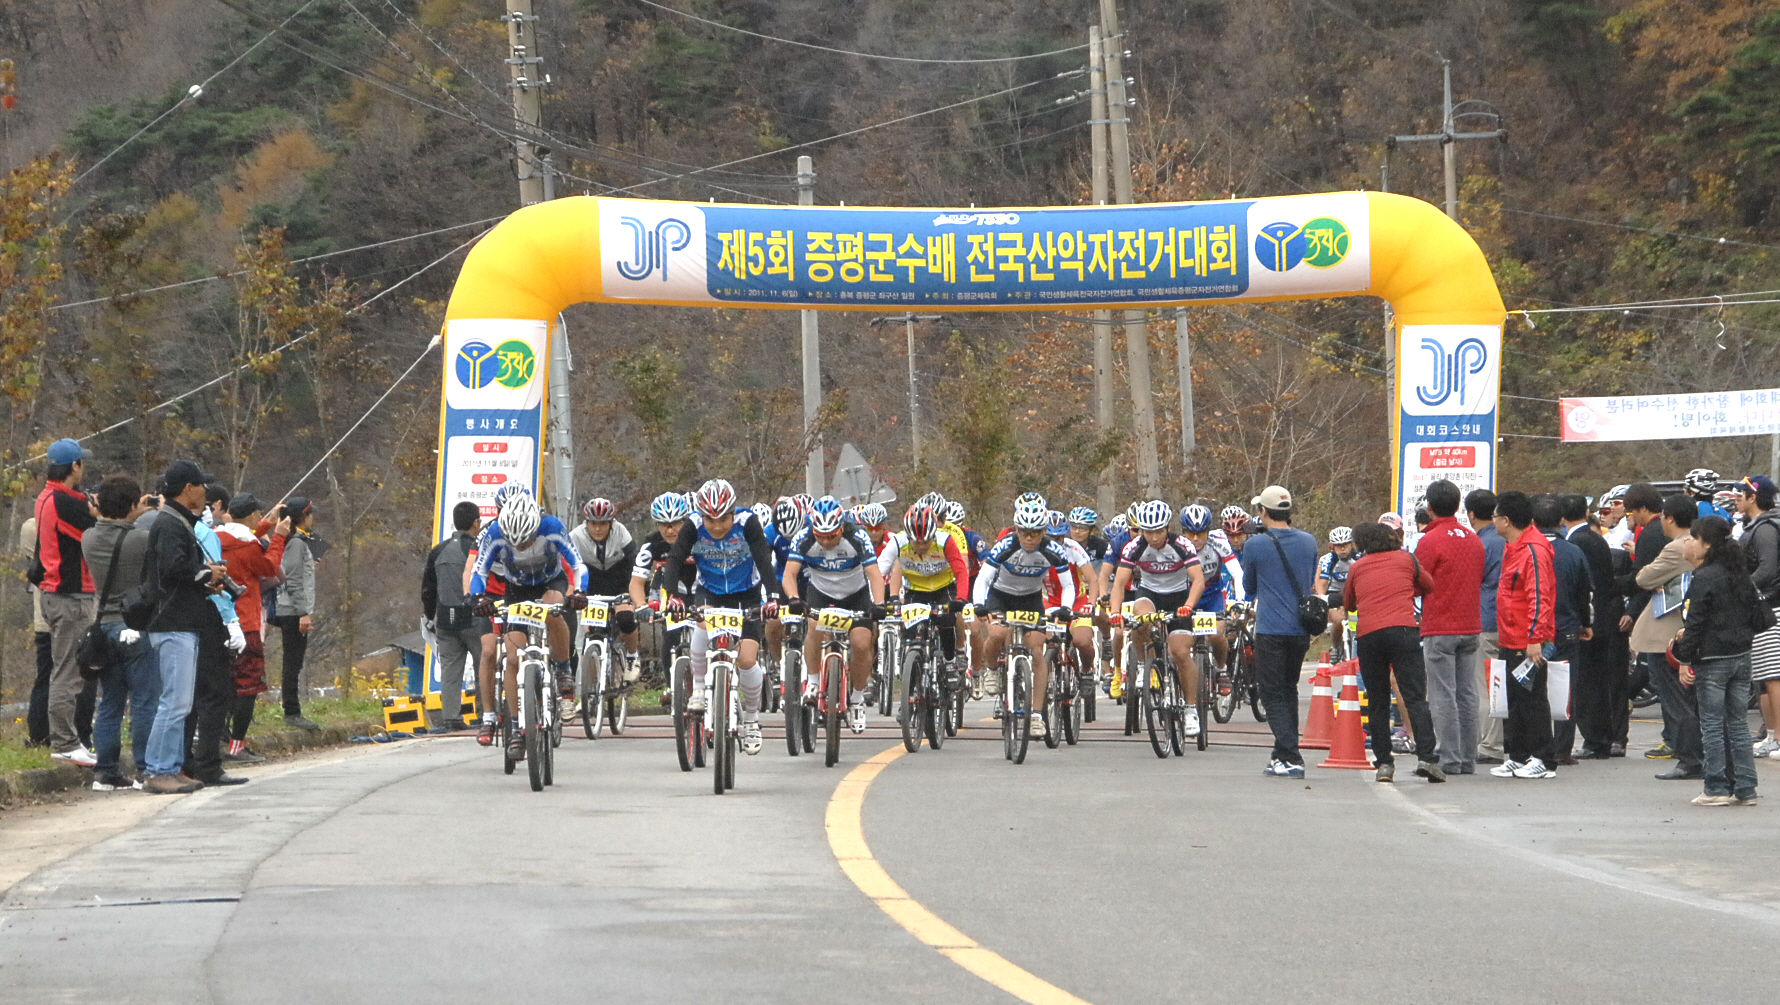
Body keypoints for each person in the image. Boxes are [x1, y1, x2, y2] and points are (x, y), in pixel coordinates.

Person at [664, 479, 782, 752]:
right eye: (710, 519)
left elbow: (764, 560)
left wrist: (772, 597)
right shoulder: (692, 525)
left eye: (723, 519)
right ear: (701, 515)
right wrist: (671, 594)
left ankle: (751, 719)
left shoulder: (748, 522)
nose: (717, 526)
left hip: (747, 594)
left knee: (746, 659)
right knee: (702, 624)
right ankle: (698, 691)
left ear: (733, 512)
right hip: (710, 591)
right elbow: (675, 559)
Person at [469, 490, 585, 762]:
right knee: (512, 658)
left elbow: (577, 564)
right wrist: (478, 597)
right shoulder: (495, 531)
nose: (521, 547)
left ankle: (564, 668)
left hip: (549, 581)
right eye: (515, 543)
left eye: (527, 541)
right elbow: (479, 571)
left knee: (553, 607)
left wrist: (580, 591)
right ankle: (516, 728)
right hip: (517, 589)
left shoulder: (551, 526)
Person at [139, 461, 228, 794]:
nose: (205, 491)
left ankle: (173, 766)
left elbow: (178, 573)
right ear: (188, 488)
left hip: (182, 619)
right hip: (171, 622)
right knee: (173, 701)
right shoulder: (170, 524)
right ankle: (158, 769)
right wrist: (206, 574)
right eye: (201, 485)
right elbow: (171, 570)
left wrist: (205, 581)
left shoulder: (177, 522)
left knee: (182, 701)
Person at [1673, 516, 1766, 805]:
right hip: (1741, 655)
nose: (1688, 543)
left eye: (1692, 538)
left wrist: (1684, 658)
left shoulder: (1704, 577)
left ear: (1706, 544)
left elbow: (1696, 622)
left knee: (1712, 725)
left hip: (1712, 658)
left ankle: (1716, 787)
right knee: (1737, 724)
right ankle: (1746, 787)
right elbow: (1756, 616)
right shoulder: (1738, 572)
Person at [1341, 522, 1442, 782]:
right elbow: (1428, 585)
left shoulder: (1357, 567)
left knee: (1378, 699)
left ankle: (1385, 763)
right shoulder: (1407, 559)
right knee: (1415, 696)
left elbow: (1349, 602)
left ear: (1362, 544)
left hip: (1369, 634)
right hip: (1404, 631)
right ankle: (1428, 758)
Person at [971, 492, 1076, 738]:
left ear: (1044, 532)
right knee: (997, 632)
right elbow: (984, 578)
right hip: (1001, 595)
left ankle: (1037, 715)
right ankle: (993, 671)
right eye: (1024, 532)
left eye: (1035, 533)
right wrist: (979, 604)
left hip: (1031, 599)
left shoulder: (1053, 550)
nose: (1029, 539)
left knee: (1037, 650)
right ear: (1017, 529)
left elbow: (1068, 585)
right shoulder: (1006, 545)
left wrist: (1066, 608)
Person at [81, 476, 161, 790]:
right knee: (143, 700)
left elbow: (105, 523)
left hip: (103, 628)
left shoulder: (88, 537)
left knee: (111, 701)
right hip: (136, 626)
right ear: (132, 504)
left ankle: (107, 771)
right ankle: (144, 767)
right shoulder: (141, 539)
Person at [783, 495, 883, 737]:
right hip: (821, 593)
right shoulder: (803, 538)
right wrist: (794, 599)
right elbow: (789, 575)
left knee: (861, 643)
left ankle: (857, 699)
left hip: (855, 595)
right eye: (820, 536)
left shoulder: (858, 536)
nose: (826, 541)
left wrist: (879, 604)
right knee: (814, 626)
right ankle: (814, 681)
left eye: (832, 536)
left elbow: (875, 575)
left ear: (842, 527)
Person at [1108, 500, 1208, 738]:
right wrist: (1114, 612)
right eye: (1148, 531)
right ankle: (1145, 666)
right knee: (1139, 619)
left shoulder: (1182, 544)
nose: (1153, 537)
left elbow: (1199, 580)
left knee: (1181, 653)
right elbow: (1120, 583)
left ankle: (1191, 709)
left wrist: (1188, 606)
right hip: (1150, 593)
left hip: (1179, 597)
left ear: (1167, 528)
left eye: (1158, 531)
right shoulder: (1134, 547)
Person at [1238, 485, 1319, 778]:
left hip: (1271, 628)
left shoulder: (1255, 545)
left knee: (1272, 693)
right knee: (1288, 689)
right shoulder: (1309, 542)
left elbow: (1249, 587)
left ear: (1263, 512)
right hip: (1300, 629)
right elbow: (1309, 579)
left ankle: (1289, 755)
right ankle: (1283, 752)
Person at [30, 438, 99, 766]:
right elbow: (100, 527)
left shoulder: (49, 496)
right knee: (68, 672)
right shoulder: (63, 501)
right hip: (68, 596)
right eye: (81, 462)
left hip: (59, 593)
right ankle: (64, 741)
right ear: (74, 466)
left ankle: (67, 739)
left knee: (66, 668)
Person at [1416, 479, 1485, 776]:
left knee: (1443, 693)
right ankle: (1469, 758)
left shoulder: (1430, 541)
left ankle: (1450, 758)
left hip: (1440, 624)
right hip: (1471, 623)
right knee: (1467, 692)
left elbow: (1417, 581)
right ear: (1459, 506)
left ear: (1429, 508)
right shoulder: (1473, 538)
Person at [1490, 491, 1559, 779]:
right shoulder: (1513, 547)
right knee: (1514, 699)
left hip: (1527, 637)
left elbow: (1540, 596)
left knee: (1533, 698)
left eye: (1495, 517)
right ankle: (1517, 755)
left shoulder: (1533, 550)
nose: (1493, 521)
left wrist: (1535, 637)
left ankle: (1543, 757)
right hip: (1510, 634)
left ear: (1506, 520)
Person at [1633, 494, 1701, 779]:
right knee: (1691, 699)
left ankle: (1689, 759)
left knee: (1676, 701)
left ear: (1669, 518)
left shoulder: (1677, 548)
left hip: (1667, 636)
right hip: (1688, 632)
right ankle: (1696, 755)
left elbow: (1644, 577)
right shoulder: (1699, 544)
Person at [217, 494, 291, 759]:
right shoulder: (249, 547)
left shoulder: (215, 538)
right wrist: (279, 536)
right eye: (259, 516)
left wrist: (266, 526)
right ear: (249, 516)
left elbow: (242, 540)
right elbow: (268, 566)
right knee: (247, 687)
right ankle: (237, 745)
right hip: (245, 622)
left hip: (217, 623)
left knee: (221, 685)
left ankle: (217, 741)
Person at [1561, 493, 1622, 759]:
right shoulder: (1595, 537)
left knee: (1587, 683)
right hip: (1605, 617)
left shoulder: (1578, 541)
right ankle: (1601, 738)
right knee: (1597, 681)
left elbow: (1585, 586)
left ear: (1562, 518)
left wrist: (1585, 621)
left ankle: (1595, 739)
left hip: (1593, 619)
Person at [1533, 495, 1593, 765]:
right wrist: (1586, 623)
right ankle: (1562, 748)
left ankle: (1536, 744)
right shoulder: (1573, 552)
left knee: (1533, 687)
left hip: (1534, 631)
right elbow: (1584, 592)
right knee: (1565, 688)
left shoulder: (1528, 549)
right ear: (1561, 522)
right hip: (1567, 627)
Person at [881, 502, 969, 677]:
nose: (921, 546)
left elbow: (961, 571)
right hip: (916, 591)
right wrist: (882, 600)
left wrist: (961, 599)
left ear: (933, 534)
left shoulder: (945, 540)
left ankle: (950, 662)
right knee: (911, 632)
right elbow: (878, 570)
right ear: (908, 536)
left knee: (946, 621)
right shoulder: (898, 542)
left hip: (943, 588)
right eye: (916, 542)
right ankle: (911, 684)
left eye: (926, 541)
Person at [424, 502, 488, 738]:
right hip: (474, 619)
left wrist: (430, 615)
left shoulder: (437, 551)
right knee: (485, 664)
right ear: (476, 523)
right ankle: (486, 715)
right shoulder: (477, 549)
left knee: (451, 669)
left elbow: (427, 589)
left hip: (444, 621)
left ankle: (451, 717)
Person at [569, 496, 642, 683]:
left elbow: (635, 560)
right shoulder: (576, 536)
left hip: (619, 579)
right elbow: (569, 567)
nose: (598, 529)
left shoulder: (621, 532)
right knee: (591, 633)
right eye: (593, 524)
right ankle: (589, 690)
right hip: (591, 582)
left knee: (625, 618)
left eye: (603, 524)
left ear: (612, 522)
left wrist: (635, 591)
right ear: (586, 523)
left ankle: (633, 656)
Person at [1736, 475, 1780, 758]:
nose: (1737, 498)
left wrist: (1741, 591)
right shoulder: (1754, 526)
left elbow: (1767, 569)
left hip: (1771, 608)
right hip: (1763, 607)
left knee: (1774, 675)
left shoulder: (1765, 528)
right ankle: (1773, 735)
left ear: (1754, 497)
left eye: (1742, 493)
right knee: (1764, 676)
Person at [269, 497, 322, 731]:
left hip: (291, 608)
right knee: (293, 662)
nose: (313, 518)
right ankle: (292, 711)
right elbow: (292, 579)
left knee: (294, 661)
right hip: (292, 610)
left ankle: (292, 708)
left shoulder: (296, 542)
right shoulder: (297, 543)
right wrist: (303, 612)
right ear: (303, 517)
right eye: (310, 514)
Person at [1466, 489, 1507, 764]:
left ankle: (1491, 744)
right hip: (1509, 621)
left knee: (1487, 686)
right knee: (1506, 682)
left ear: (1470, 514)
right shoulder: (1507, 540)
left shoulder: (1480, 544)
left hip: (1485, 619)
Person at [1313, 526, 1355, 660]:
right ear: (1332, 546)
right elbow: (1321, 582)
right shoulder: (1327, 560)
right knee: (1338, 621)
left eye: (1345, 545)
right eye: (1338, 546)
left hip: (1354, 592)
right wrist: (1321, 598)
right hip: (1334, 592)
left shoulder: (1359, 556)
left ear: (1351, 544)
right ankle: (1336, 646)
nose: (1342, 549)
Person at [1598, 485, 1633, 550]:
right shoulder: (1611, 532)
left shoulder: (1627, 525)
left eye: (1617, 503)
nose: (1613, 507)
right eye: (1611, 504)